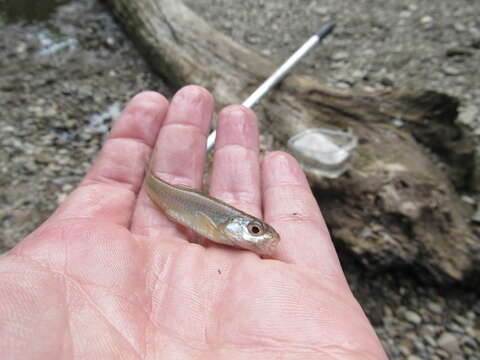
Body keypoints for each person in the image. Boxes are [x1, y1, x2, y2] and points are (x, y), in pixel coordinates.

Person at [0, 86, 387, 359]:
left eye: (256, 230)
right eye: (253, 229)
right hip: (166, 194)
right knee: (156, 178)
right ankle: (146, 168)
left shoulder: (228, 230)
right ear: (237, 226)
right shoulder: (219, 222)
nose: (257, 234)